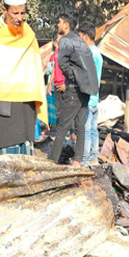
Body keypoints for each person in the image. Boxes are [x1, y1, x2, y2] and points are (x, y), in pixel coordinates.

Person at [0, 0, 48, 155]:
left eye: (22, 13)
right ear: (4, 10)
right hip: (2, 102)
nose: (19, 18)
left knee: (26, 152)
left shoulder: (28, 32)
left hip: (25, 101)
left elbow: (34, 66)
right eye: (15, 13)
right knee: (5, 156)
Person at [49, 12, 97, 164]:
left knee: (62, 126)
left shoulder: (66, 41)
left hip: (75, 89)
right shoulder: (80, 41)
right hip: (86, 89)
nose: (58, 25)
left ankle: (51, 163)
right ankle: (77, 161)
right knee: (80, 125)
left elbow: (62, 64)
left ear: (66, 24)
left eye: (59, 22)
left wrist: (75, 77)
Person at [79, 22, 103, 165]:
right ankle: (94, 157)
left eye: (81, 36)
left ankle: (85, 160)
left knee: (86, 130)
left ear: (86, 36)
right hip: (95, 98)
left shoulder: (89, 54)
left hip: (87, 98)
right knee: (93, 129)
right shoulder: (97, 53)